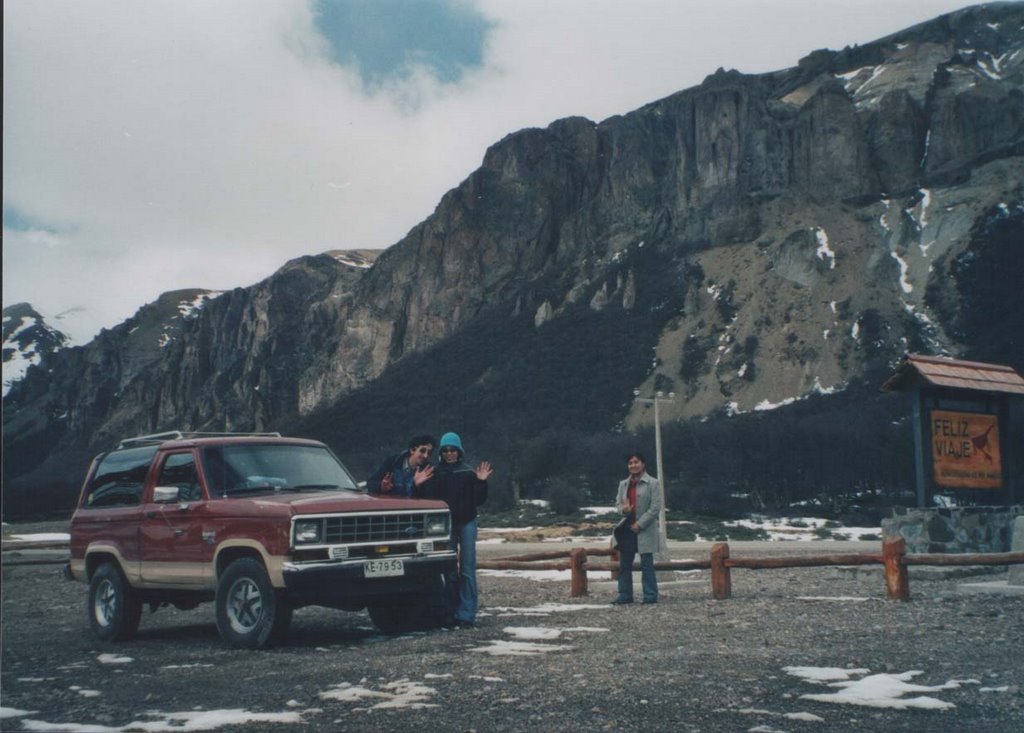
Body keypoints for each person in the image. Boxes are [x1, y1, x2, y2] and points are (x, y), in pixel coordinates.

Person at [423, 432, 491, 628]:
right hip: (447, 526)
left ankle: (466, 614)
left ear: (459, 451)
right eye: (445, 450)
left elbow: (479, 500)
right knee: (449, 570)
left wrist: (481, 482)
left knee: (468, 569)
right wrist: (419, 485)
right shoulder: (434, 473)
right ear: (441, 453)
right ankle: (450, 612)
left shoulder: (468, 473)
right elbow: (428, 499)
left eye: (453, 450)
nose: (449, 453)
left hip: (468, 523)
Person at [611, 451, 662, 605]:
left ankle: (650, 596)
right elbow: (618, 505)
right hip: (626, 530)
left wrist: (640, 524)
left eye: (636, 462)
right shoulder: (623, 484)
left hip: (645, 529)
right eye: (630, 463)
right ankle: (625, 595)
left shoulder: (653, 483)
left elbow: (655, 507)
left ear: (643, 464)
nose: (633, 465)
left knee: (647, 564)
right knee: (625, 564)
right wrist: (624, 510)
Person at [365, 434, 435, 497]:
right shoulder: (393, 463)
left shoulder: (429, 471)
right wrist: (381, 487)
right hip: (392, 508)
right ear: (412, 450)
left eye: (429, 453)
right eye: (422, 451)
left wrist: (417, 486)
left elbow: (429, 500)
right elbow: (370, 483)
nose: (426, 456)